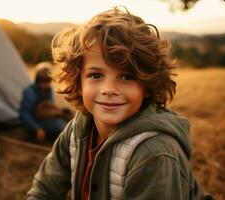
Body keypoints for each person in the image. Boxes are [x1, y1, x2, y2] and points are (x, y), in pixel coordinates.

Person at [27, 7, 211, 200]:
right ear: (78, 81)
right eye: (96, 75)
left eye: (126, 76)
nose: (109, 89)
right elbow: (44, 189)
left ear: (147, 85)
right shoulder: (77, 130)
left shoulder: (155, 154)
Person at [19, 65, 67, 141]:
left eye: (48, 82)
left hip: (44, 118)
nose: (46, 85)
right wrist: (37, 128)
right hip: (34, 121)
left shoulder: (48, 90)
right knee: (59, 125)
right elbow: (25, 114)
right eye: (44, 82)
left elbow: (49, 107)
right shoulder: (29, 92)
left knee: (64, 120)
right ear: (38, 81)